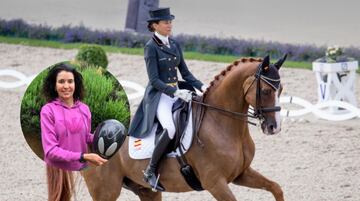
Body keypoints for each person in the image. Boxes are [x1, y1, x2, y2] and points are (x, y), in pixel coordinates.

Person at [128, 7, 208, 191]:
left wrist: (202, 87)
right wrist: (176, 93)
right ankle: (150, 170)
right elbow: (154, 80)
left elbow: (186, 73)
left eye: (170, 22)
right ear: (155, 25)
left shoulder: (174, 45)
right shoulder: (150, 47)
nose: (169, 25)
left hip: (177, 91)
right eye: (166, 22)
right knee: (170, 128)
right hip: (159, 96)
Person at [40, 63, 107, 201]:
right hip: (59, 167)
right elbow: (50, 151)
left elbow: (86, 136)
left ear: (75, 84)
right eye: (61, 82)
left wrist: (104, 138)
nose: (66, 86)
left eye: (70, 81)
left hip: (82, 165)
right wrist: (84, 156)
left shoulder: (84, 109)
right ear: (54, 85)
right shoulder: (48, 110)